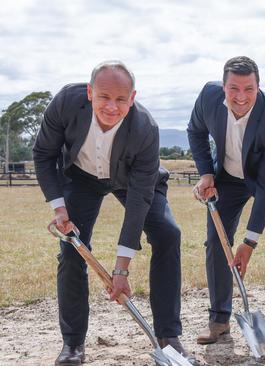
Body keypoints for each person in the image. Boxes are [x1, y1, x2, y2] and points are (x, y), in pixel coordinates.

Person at [33, 61, 196, 366]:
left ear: (132, 98)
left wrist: (121, 270)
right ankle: (73, 344)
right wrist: (59, 208)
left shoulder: (145, 128)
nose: (112, 106)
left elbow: (139, 201)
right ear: (89, 91)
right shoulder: (66, 103)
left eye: (121, 99)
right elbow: (43, 155)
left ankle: (169, 337)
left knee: (168, 234)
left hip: (133, 181)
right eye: (104, 97)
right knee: (71, 250)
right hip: (81, 177)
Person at [187, 56, 265, 348]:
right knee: (216, 241)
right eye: (234, 88)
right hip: (228, 177)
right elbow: (195, 131)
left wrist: (249, 243)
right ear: (223, 87)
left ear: (259, 87)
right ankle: (219, 322)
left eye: (249, 89)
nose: (241, 97)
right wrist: (207, 173)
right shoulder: (208, 98)